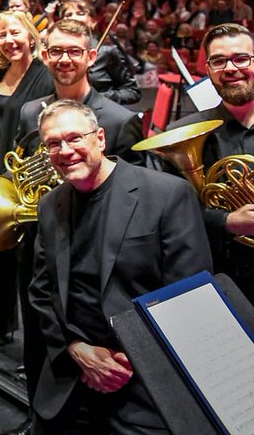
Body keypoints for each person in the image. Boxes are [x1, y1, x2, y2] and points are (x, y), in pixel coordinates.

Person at [29, 100, 211, 433]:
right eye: (53, 144)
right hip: (73, 374)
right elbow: (41, 292)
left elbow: (189, 300)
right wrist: (76, 348)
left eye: (74, 138)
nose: (65, 150)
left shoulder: (168, 195)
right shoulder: (49, 204)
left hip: (144, 383)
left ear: (100, 138)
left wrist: (125, 363)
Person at [0, 9, 54, 398]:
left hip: (23, 180)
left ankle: (31, 346)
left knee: (25, 263)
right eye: (2, 34)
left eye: (15, 33)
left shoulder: (44, 74)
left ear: (31, 35)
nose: (9, 41)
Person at [162, 22, 254, 303]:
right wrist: (227, 220)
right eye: (218, 61)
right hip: (217, 277)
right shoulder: (181, 135)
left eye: (241, 58)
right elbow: (170, 213)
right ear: (208, 70)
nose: (230, 68)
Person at [18, 19, 142, 162]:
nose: (64, 60)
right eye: (56, 51)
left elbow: (132, 181)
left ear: (91, 58)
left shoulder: (121, 122)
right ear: (45, 57)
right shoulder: (29, 112)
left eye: (75, 51)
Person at [58, 0, 140, 106]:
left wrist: (99, 97)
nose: (74, 18)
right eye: (68, 15)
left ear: (93, 22)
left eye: (80, 13)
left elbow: (132, 92)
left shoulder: (106, 52)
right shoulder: (55, 55)